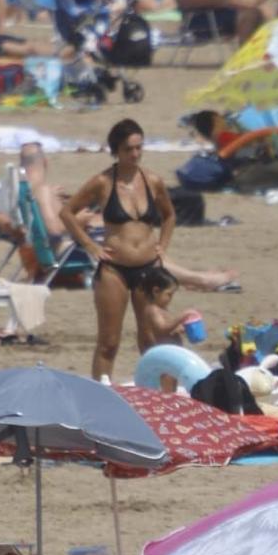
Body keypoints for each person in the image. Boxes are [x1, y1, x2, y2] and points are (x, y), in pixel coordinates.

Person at [61, 118, 176, 382]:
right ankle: (101, 396)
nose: (135, 154)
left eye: (139, 148)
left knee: (150, 338)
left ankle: (161, 398)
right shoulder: (103, 182)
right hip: (114, 268)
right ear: (116, 150)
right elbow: (67, 213)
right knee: (109, 341)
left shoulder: (153, 181)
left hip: (148, 268)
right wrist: (90, 245)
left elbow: (169, 215)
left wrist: (163, 247)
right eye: (128, 149)